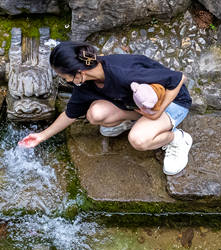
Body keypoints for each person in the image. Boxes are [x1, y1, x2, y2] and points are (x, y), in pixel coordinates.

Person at [18, 41, 193, 176]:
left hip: (172, 102)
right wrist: (41, 136)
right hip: (141, 106)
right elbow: (70, 114)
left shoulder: (123, 72)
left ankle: (176, 139)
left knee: (138, 140)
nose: (66, 81)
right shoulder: (86, 83)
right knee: (95, 114)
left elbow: (178, 78)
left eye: (65, 77)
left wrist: (158, 112)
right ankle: (138, 122)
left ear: (79, 72)